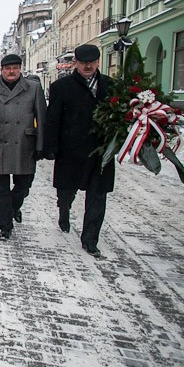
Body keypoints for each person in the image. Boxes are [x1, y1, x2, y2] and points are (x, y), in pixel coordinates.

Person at [44, 44, 113, 259]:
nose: (88, 66)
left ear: (98, 62)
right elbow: (52, 120)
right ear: (76, 63)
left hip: (100, 153)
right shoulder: (61, 87)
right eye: (83, 62)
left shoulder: (110, 87)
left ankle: (90, 239)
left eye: (92, 62)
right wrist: (50, 148)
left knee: (97, 196)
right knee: (66, 191)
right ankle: (64, 211)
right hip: (70, 150)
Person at [0, 54, 47, 240]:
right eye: (7, 68)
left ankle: (14, 207)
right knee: (1, 191)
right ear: (2, 70)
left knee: (24, 186)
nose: (11, 71)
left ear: (20, 69)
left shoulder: (33, 88)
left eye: (15, 67)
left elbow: (42, 119)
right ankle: (5, 227)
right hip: (0, 144)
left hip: (25, 144)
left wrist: (41, 145)